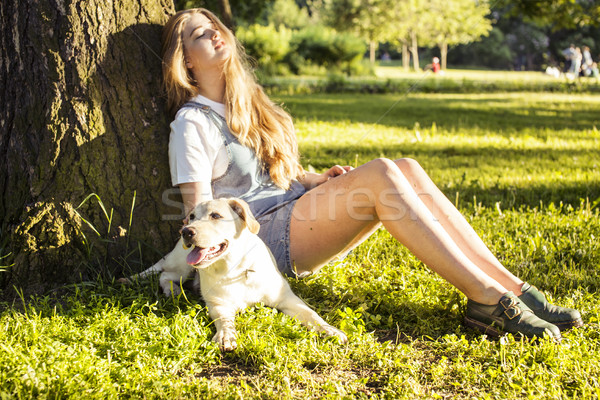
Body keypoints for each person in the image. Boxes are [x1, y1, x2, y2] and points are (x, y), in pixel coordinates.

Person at [161, 8, 583, 341]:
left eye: (215, 25)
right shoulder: (192, 124)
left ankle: (512, 288)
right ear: (187, 64)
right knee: (381, 173)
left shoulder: (246, 101)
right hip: (261, 239)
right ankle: (487, 300)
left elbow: (271, 173)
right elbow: (197, 215)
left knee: (407, 169)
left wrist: (314, 180)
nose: (216, 32)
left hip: (294, 208)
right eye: (200, 34)